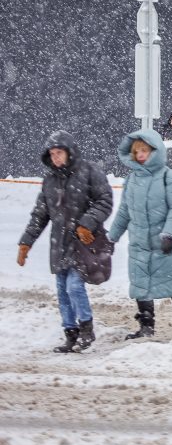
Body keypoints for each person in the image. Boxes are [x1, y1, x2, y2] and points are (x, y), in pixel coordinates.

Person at [18, 130, 113, 353]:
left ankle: (87, 330)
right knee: (62, 290)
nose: (56, 158)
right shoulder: (50, 181)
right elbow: (40, 215)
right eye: (52, 154)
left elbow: (105, 200)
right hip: (59, 245)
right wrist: (26, 243)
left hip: (84, 243)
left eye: (59, 152)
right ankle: (71, 334)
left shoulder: (90, 171)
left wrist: (86, 223)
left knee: (74, 286)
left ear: (69, 152)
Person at [109, 130, 172, 340]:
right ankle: (146, 326)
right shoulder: (131, 180)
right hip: (140, 243)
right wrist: (112, 236)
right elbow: (124, 211)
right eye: (137, 151)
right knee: (141, 286)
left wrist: (169, 235)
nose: (140, 155)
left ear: (155, 151)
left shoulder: (170, 177)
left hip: (166, 244)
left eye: (145, 150)